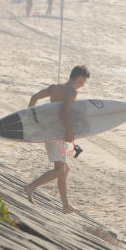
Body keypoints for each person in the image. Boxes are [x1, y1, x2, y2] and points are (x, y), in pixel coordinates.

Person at [23, 65, 91, 214]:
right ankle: (31, 187)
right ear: (78, 77)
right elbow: (63, 112)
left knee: (65, 169)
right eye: (83, 81)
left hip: (49, 131)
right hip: (57, 133)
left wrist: (29, 116)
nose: (83, 84)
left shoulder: (54, 88)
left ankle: (66, 206)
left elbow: (34, 98)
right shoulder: (72, 91)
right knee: (60, 170)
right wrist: (69, 130)